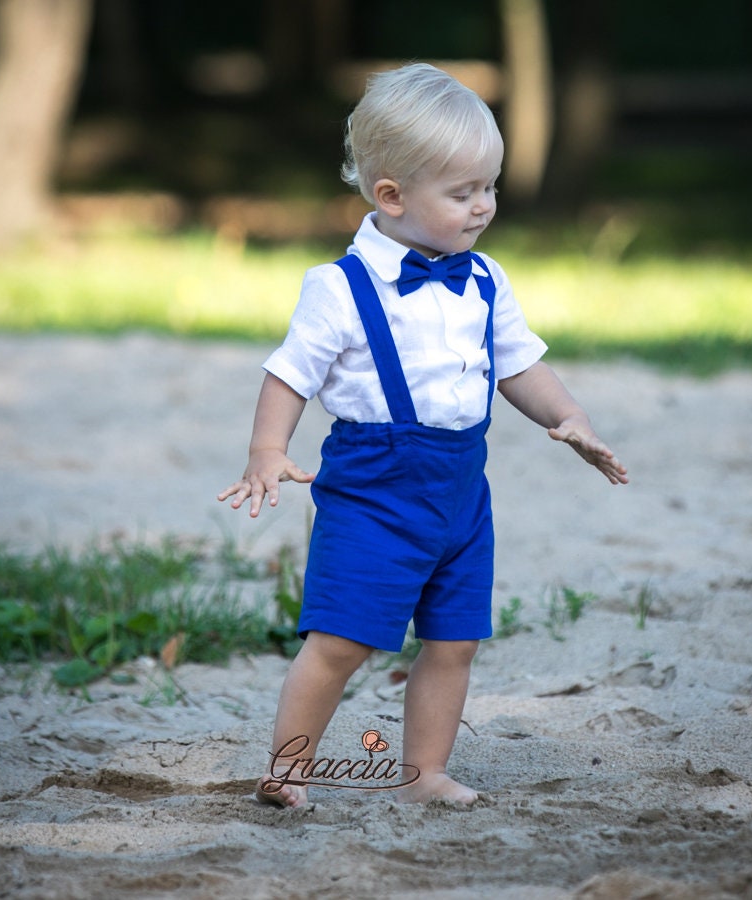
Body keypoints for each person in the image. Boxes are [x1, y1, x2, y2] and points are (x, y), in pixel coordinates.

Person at [218, 62, 628, 808]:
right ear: (391, 196)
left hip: (461, 493)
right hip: (373, 488)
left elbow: (520, 365)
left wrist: (571, 419)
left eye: (490, 187)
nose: (484, 207)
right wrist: (268, 452)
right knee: (341, 641)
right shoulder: (337, 288)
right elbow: (290, 374)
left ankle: (426, 772)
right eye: (464, 192)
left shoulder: (486, 279)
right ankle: (288, 769)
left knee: (454, 640)